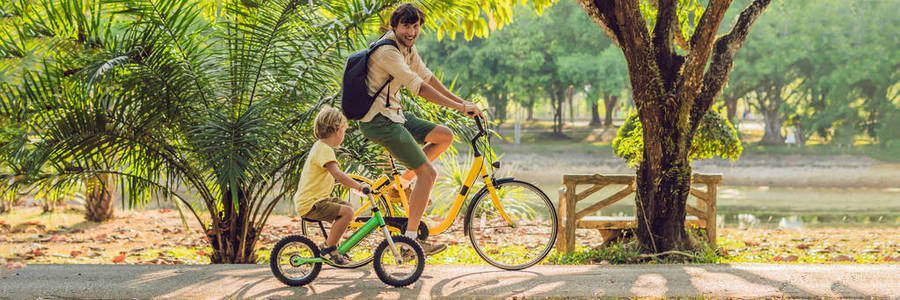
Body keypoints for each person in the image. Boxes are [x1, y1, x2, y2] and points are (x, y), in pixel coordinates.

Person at [358, 3, 482, 256]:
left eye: (416, 26)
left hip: (395, 115)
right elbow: (420, 88)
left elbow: (428, 78)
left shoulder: (408, 48)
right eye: (406, 25)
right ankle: (410, 242)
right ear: (394, 26)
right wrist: (459, 107)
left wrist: (462, 102)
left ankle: (401, 183)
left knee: (445, 136)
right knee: (428, 174)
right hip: (379, 121)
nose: (412, 31)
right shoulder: (388, 52)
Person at [296, 106, 370, 265]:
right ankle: (330, 249)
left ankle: (333, 245)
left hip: (316, 200)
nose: (343, 135)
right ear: (337, 130)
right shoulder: (325, 150)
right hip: (312, 203)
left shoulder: (320, 147)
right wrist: (359, 186)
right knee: (348, 212)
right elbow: (337, 174)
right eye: (343, 131)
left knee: (347, 207)